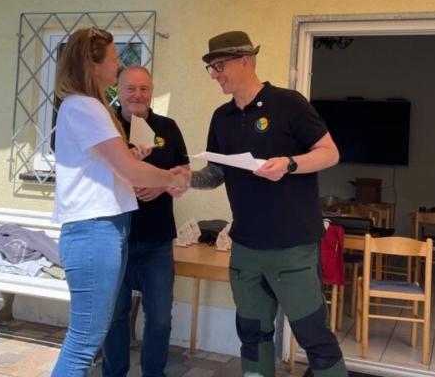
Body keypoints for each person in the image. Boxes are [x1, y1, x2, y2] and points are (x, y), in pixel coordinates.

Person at [185, 31, 348, 377]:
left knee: (314, 338)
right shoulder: (221, 117)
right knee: (252, 335)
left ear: (245, 60)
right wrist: (184, 180)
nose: (214, 75)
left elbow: (330, 153)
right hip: (245, 247)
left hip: (293, 247)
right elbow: (215, 174)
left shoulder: (289, 103)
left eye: (219, 66)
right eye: (211, 68)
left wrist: (289, 164)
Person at [50, 28, 189, 377]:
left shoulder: (85, 106)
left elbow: (109, 166)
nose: (118, 65)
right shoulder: (86, 106)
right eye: (113, 59)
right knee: (84, 344)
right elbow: (129, 171)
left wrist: (130, 158)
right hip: (95, 231)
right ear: (91, 64)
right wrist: (172, 179)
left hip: (102, 230)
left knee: (87, 339)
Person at [102, 66, 190, 377]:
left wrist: (163, 185)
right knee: (115, 317)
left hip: (157, 238)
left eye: (144, 88)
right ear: (118, 90)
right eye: (130, 88)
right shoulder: (107, 127)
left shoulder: (167, 127)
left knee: (160, 318)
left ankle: (154, 373)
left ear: (151, 91)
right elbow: (96, 175)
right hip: (116, 238)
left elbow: (184, 174)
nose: (138, 95)